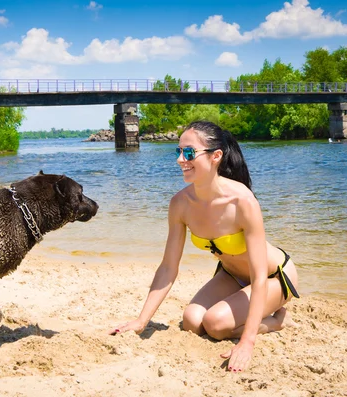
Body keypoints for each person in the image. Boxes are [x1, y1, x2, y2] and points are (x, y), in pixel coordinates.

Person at [111, 121, 299, 372]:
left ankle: (275, 321)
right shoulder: (180, 204)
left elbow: (259, 275)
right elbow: (168, 267)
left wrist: (247, 342)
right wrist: (141, 321)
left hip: (274, 277)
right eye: (177, 151)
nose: (180, 159)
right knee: (191, 321)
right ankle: (258, 318)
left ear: (216, 156)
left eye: (188, 152)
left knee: (215, 324)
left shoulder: (242, 201)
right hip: (232, 275)